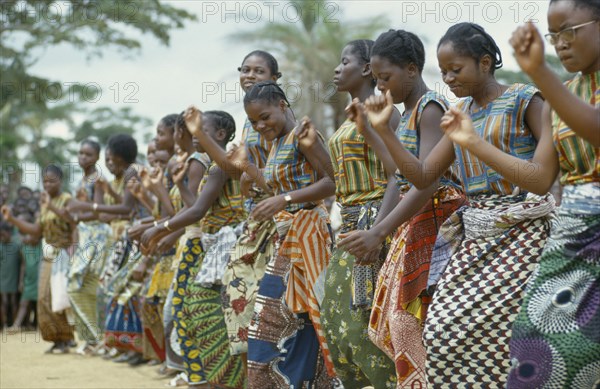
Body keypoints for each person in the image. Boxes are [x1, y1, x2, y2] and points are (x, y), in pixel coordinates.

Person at [369, 23, 554, 386]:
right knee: (441, 332)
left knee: (506, 335)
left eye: (457, 69)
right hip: (476, 234)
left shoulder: (525, 100)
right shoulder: (459, 113)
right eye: (445, 72)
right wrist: (385, 132)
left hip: (525, 231)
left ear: (485, 63)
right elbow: (422, 176)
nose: (450, 78)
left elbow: (539, 179)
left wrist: (472, 140)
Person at [439, 2, 599, 386]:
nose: (560, 44)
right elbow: (541, 178)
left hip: (535, 229)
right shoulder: (561, 96)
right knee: (534, 345)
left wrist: (540, 73)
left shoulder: (539, 96)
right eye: (553, 35)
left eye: (569, 31)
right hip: (575, 231)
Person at [334, 30, 466, 387]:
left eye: (385, 77)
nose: (380, 87)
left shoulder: (430, 108)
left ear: (412, 69)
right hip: (415, 220)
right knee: (394, 322)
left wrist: (379, 230)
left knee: (412, 321)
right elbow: (399, 175)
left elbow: (428, 182)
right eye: (376, 79)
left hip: (436, 221)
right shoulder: (408, 113)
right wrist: (370, 129)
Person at [188, 50, 282, 367]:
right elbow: (239, 170)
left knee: (266, 309)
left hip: (279, 219)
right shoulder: (250, 121)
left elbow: (267, 173)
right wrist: (245, 177)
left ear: (275, 79)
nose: (250, 75)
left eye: (259, 71)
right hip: (256, 220)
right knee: (247, 309)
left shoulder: (277, 116)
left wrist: (201, 135)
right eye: (245, 70)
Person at [240, 81, 337, 388]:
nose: (260, 125)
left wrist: (283, 200)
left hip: (309, 235)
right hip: (288, 236)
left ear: (282, 104)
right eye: (254, 121)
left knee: (289, 318)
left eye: (265, 117)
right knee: (295, 319)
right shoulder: (276, 142)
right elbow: (283, 188)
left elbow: (331, 182)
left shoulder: (304, 136)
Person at [142, 109, 246, 388]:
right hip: (216, 244)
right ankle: (209, 376)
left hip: (227, 244)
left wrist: (159, 229)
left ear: (220, 135)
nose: (194, 134)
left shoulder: (218, 162)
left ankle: (220, 377)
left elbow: (197, 211)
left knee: (202, 308)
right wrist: (177, 186)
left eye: (202, 129)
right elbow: (198, 206)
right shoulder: (214, 163)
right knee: (195, 308)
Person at [318, 39, 399, 389]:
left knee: (365, 322)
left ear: (367, 68)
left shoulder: (386, 111)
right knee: (337, 322)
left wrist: (379, 232)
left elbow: (398, 172)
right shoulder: (350, 115)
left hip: (374, 223)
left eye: (344, 61)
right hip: (348, 224)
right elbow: (337, 178)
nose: (337, 68)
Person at [2, 164, 76, 354]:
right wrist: (12, 220)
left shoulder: (67, 199)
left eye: (52, 181)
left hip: (63, 254)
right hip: (48, 254)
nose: (47, 185)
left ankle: (66, 338)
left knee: (58, 297)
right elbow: (37, 230)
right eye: (44, 181)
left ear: (60, 180)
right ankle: (55, 338)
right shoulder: (45, 204)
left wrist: (74, 253)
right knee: (43, 298)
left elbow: (73, 222)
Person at [68, 139, 112, 354]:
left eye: (87, 154)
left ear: (96, 157)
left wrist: (75, 213)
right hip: (85, 235)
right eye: (80, 153)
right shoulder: (82, 180)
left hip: (97, 235)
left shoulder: (97, 180)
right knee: (80, 287)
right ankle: (90, 338)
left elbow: (98, 211)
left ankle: (98, 338)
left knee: (88, 285)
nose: (82, 157)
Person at [0, 221, 20, 328]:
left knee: (13, 301)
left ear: (9, 233)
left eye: (3, 234)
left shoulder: (16, 245)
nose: (1, 237)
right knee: (4, 301)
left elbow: (21, 262)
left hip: (13, 278)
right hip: (2, 278)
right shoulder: (0, 246)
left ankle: (13, 325)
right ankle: (4, 325)